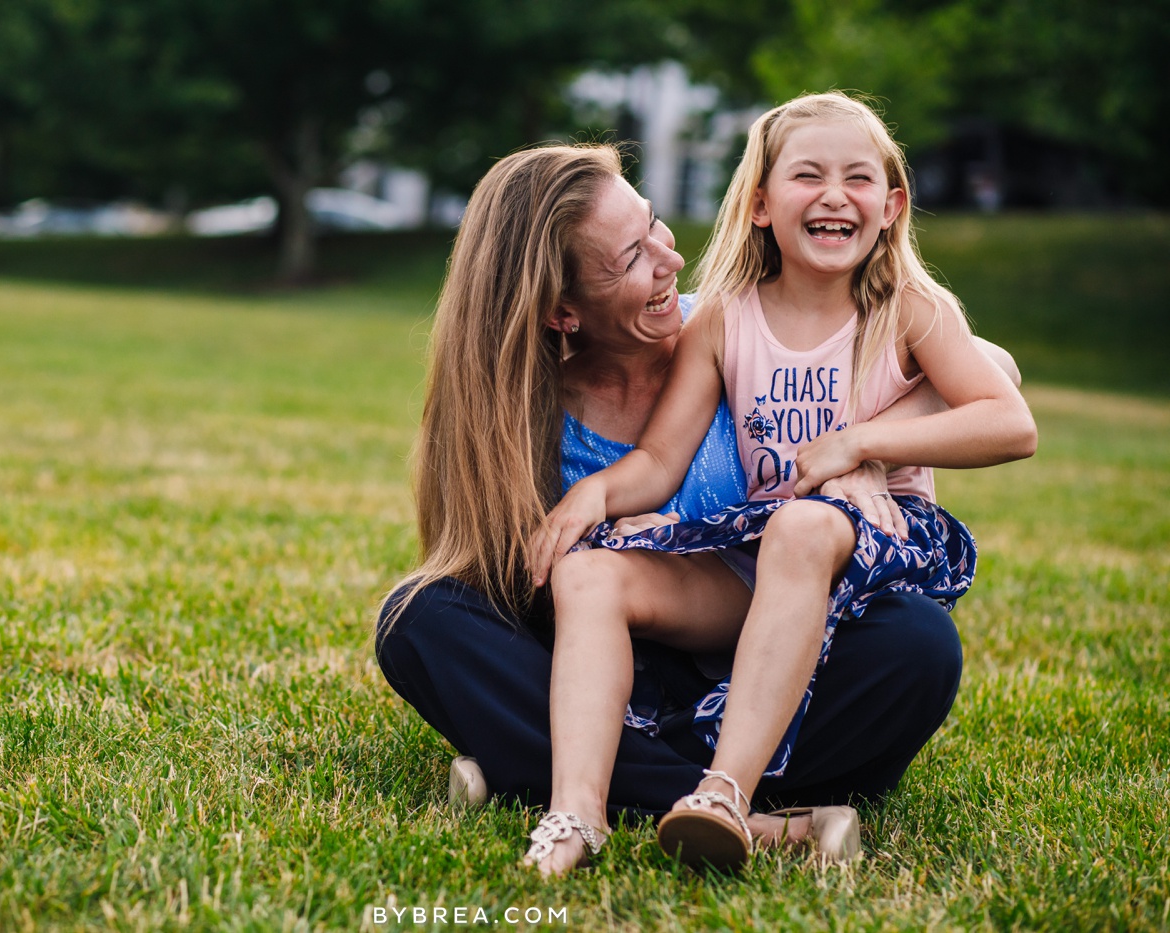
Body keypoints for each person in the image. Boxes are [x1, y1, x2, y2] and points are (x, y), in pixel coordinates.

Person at [374, 141, 1019, 873]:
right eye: (631, 259)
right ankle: (756, 817)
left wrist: (866, 446)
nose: (670, 260)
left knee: (917, 643)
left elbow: (989, 367)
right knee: (420, 617)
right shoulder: (516, 423)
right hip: (629, 670)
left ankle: (541, 772)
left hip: (793, 656)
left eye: (653, 224)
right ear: (562, 310)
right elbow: (528, 596)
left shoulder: (732, 330)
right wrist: (614, 544)